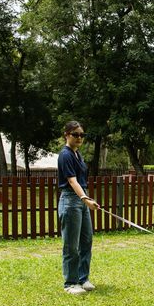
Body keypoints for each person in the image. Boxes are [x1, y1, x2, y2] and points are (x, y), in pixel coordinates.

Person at [58, 120, 100, 294]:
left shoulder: (78, 155)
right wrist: (85, 198)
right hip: (71, 200)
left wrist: (86, 198)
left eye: (82, 135)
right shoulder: (65, 155)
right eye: (76, 134)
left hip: (81, 199)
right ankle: (70, 283)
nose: (79, 138)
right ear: (67, 135)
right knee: (71, 245)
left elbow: (80, 181)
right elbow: (71, 180)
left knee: (86, 240)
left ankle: (83, 279)